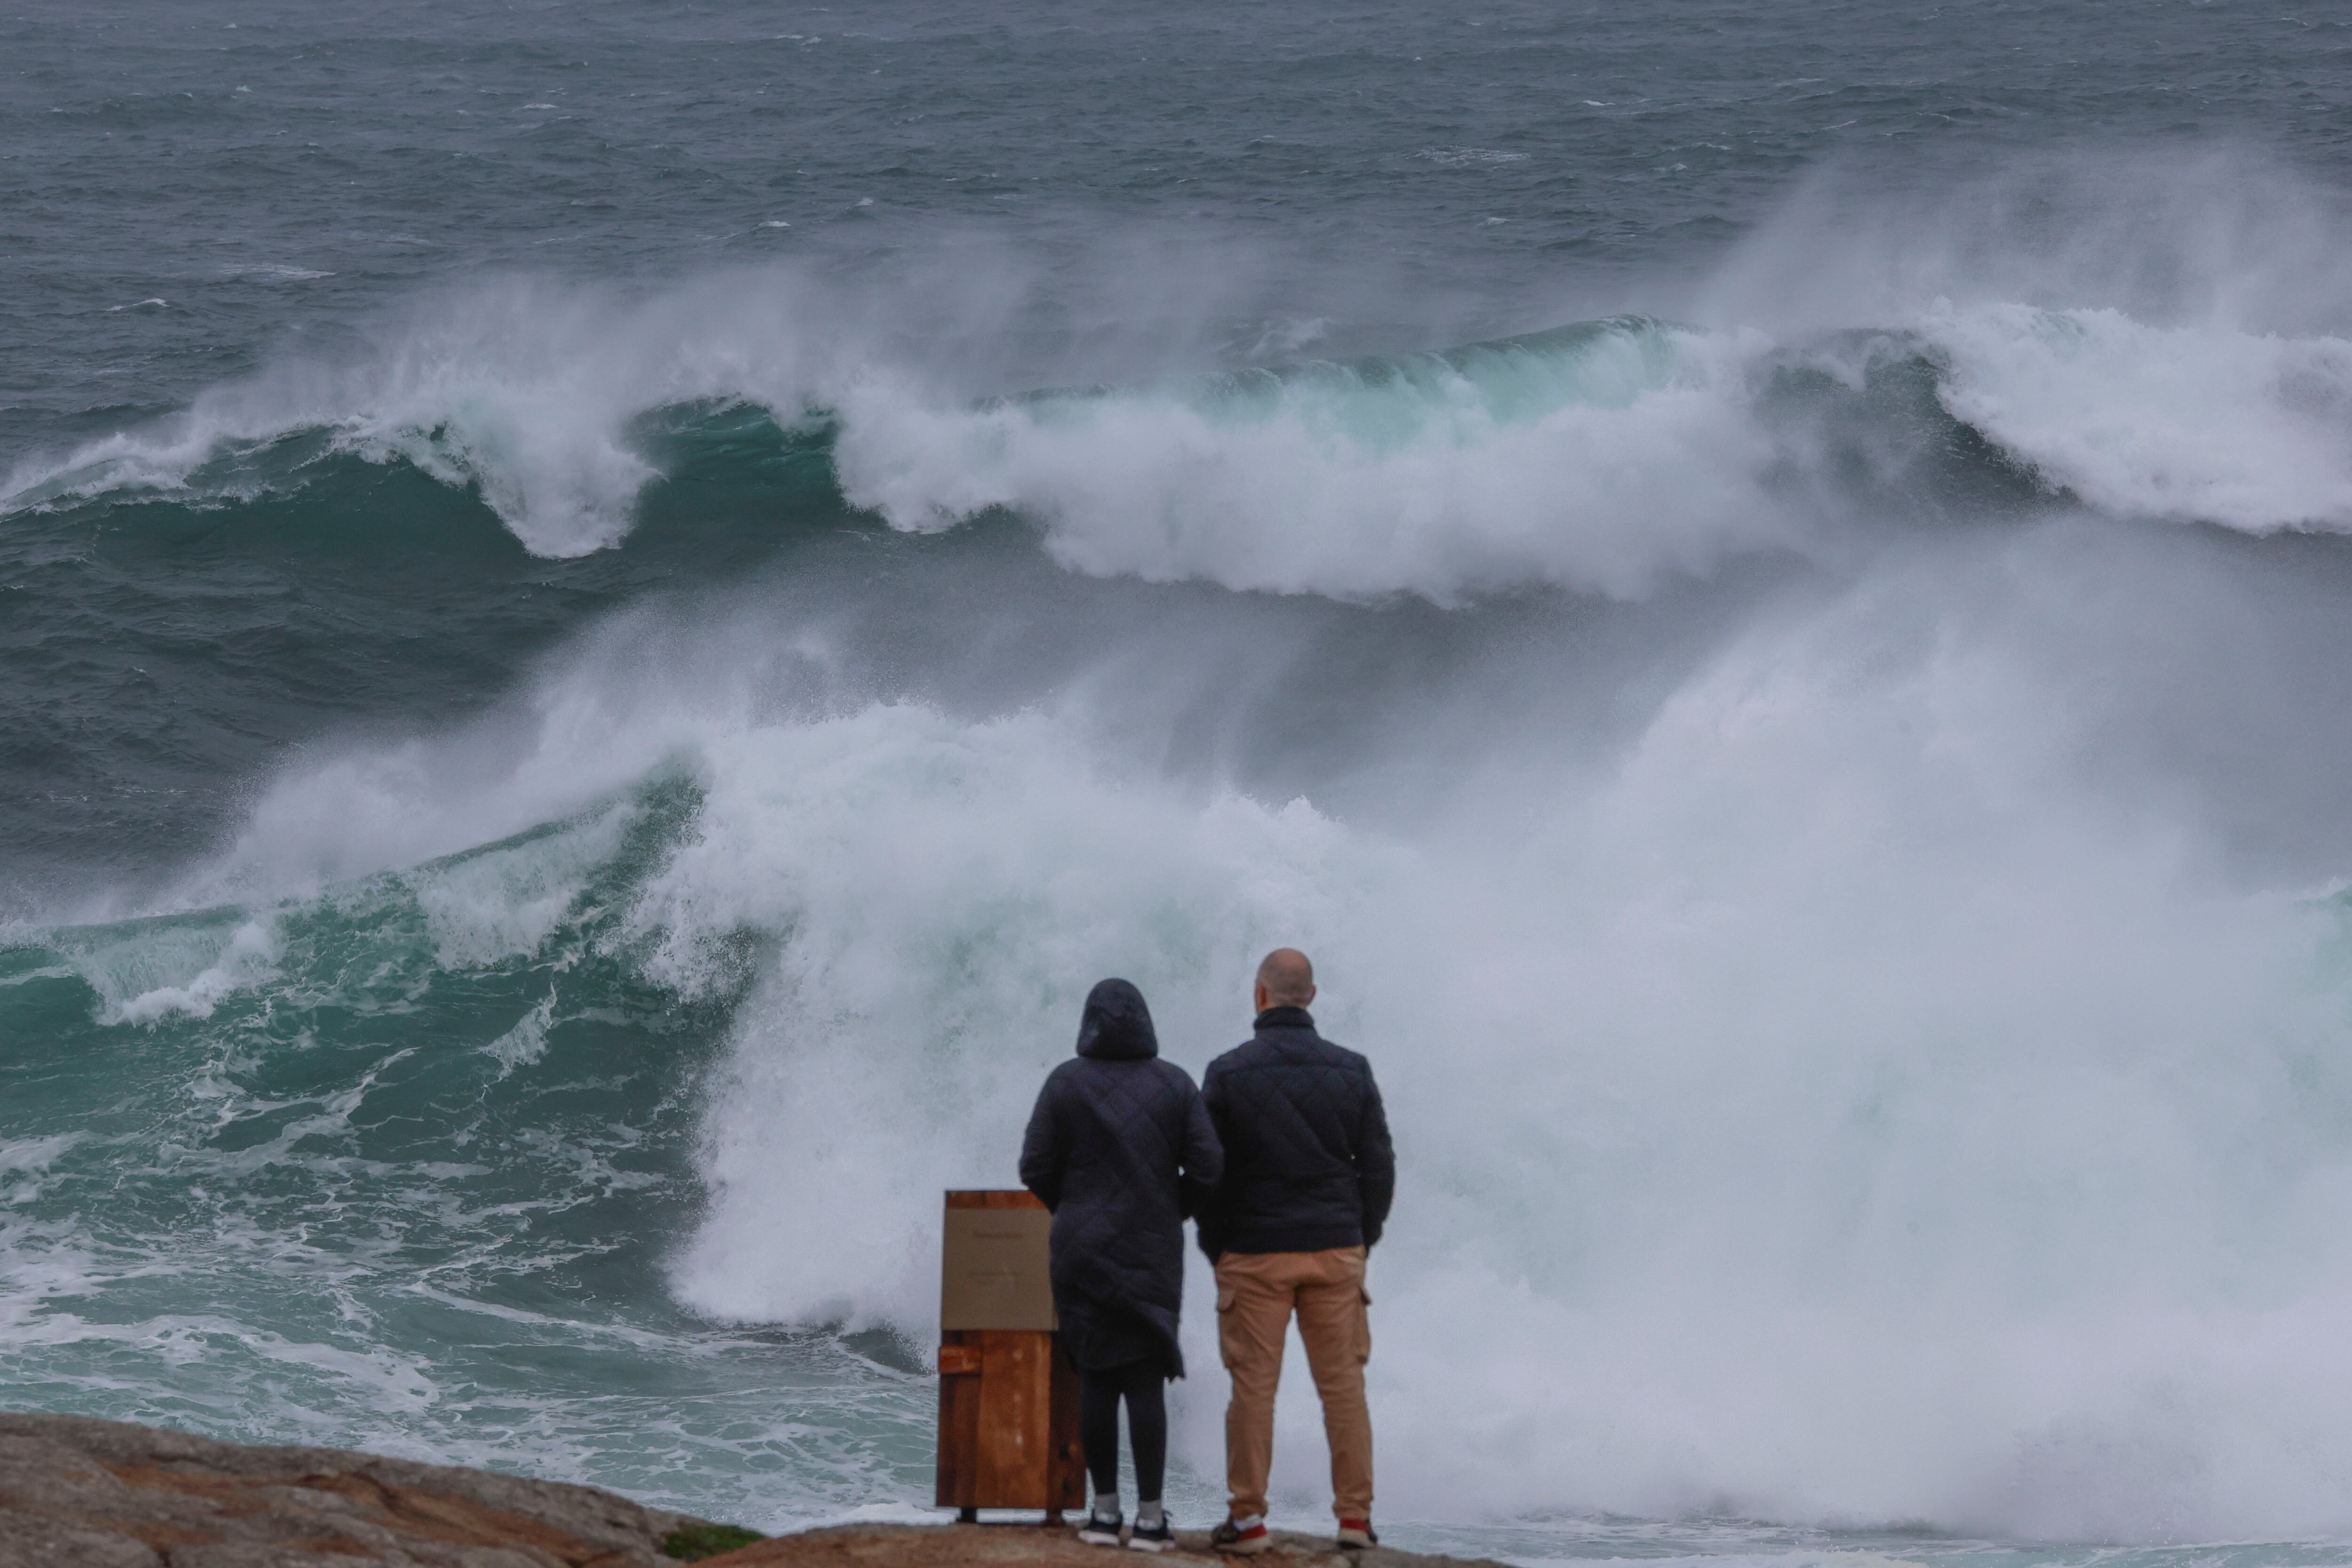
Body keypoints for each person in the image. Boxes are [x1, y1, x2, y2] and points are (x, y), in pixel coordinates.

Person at [1198, 949, 1394, 1555]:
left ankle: (1249, 1521)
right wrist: (1360, 1235)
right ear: (1310, 997)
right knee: (1342, 1389)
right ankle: (1354, 1521)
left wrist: (1217, 1244)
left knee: (1253, 1390)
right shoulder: (1351, 1069)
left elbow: (1208, 1171)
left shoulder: (1228, 1073)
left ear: (1259, 996)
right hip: (1334, 1251)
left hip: (1254, 1253)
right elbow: (1379, 1167)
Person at [1021, 978, 1223, 1553]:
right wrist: (1169, 1209)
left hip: (1079, 1250)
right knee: (1144, 1378)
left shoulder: (1064, 1083)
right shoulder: (1175, 1084)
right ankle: (1152, 1519)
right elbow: (1208, 1169)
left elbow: (1034, 1166)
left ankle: (1104, 1514)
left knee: (1096, 1376)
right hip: (1149, 1248)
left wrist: (1075, 1210)